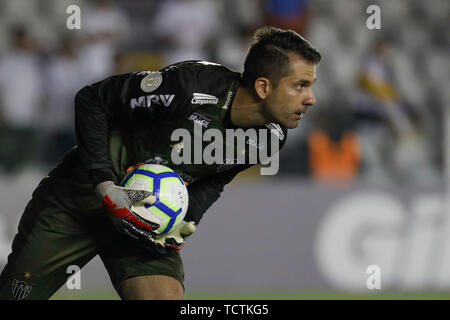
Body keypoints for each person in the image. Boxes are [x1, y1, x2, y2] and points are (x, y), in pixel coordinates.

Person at [0, 26, 321, 300]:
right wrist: (104, 184)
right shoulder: (191, 87)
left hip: (145, 223)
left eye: (311, 86)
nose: (311, 98)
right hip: (78, 201)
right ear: (264, 86)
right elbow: (93, 99)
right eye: (300, 86)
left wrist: (183, 223)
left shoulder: (271, 136)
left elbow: (214, 179)